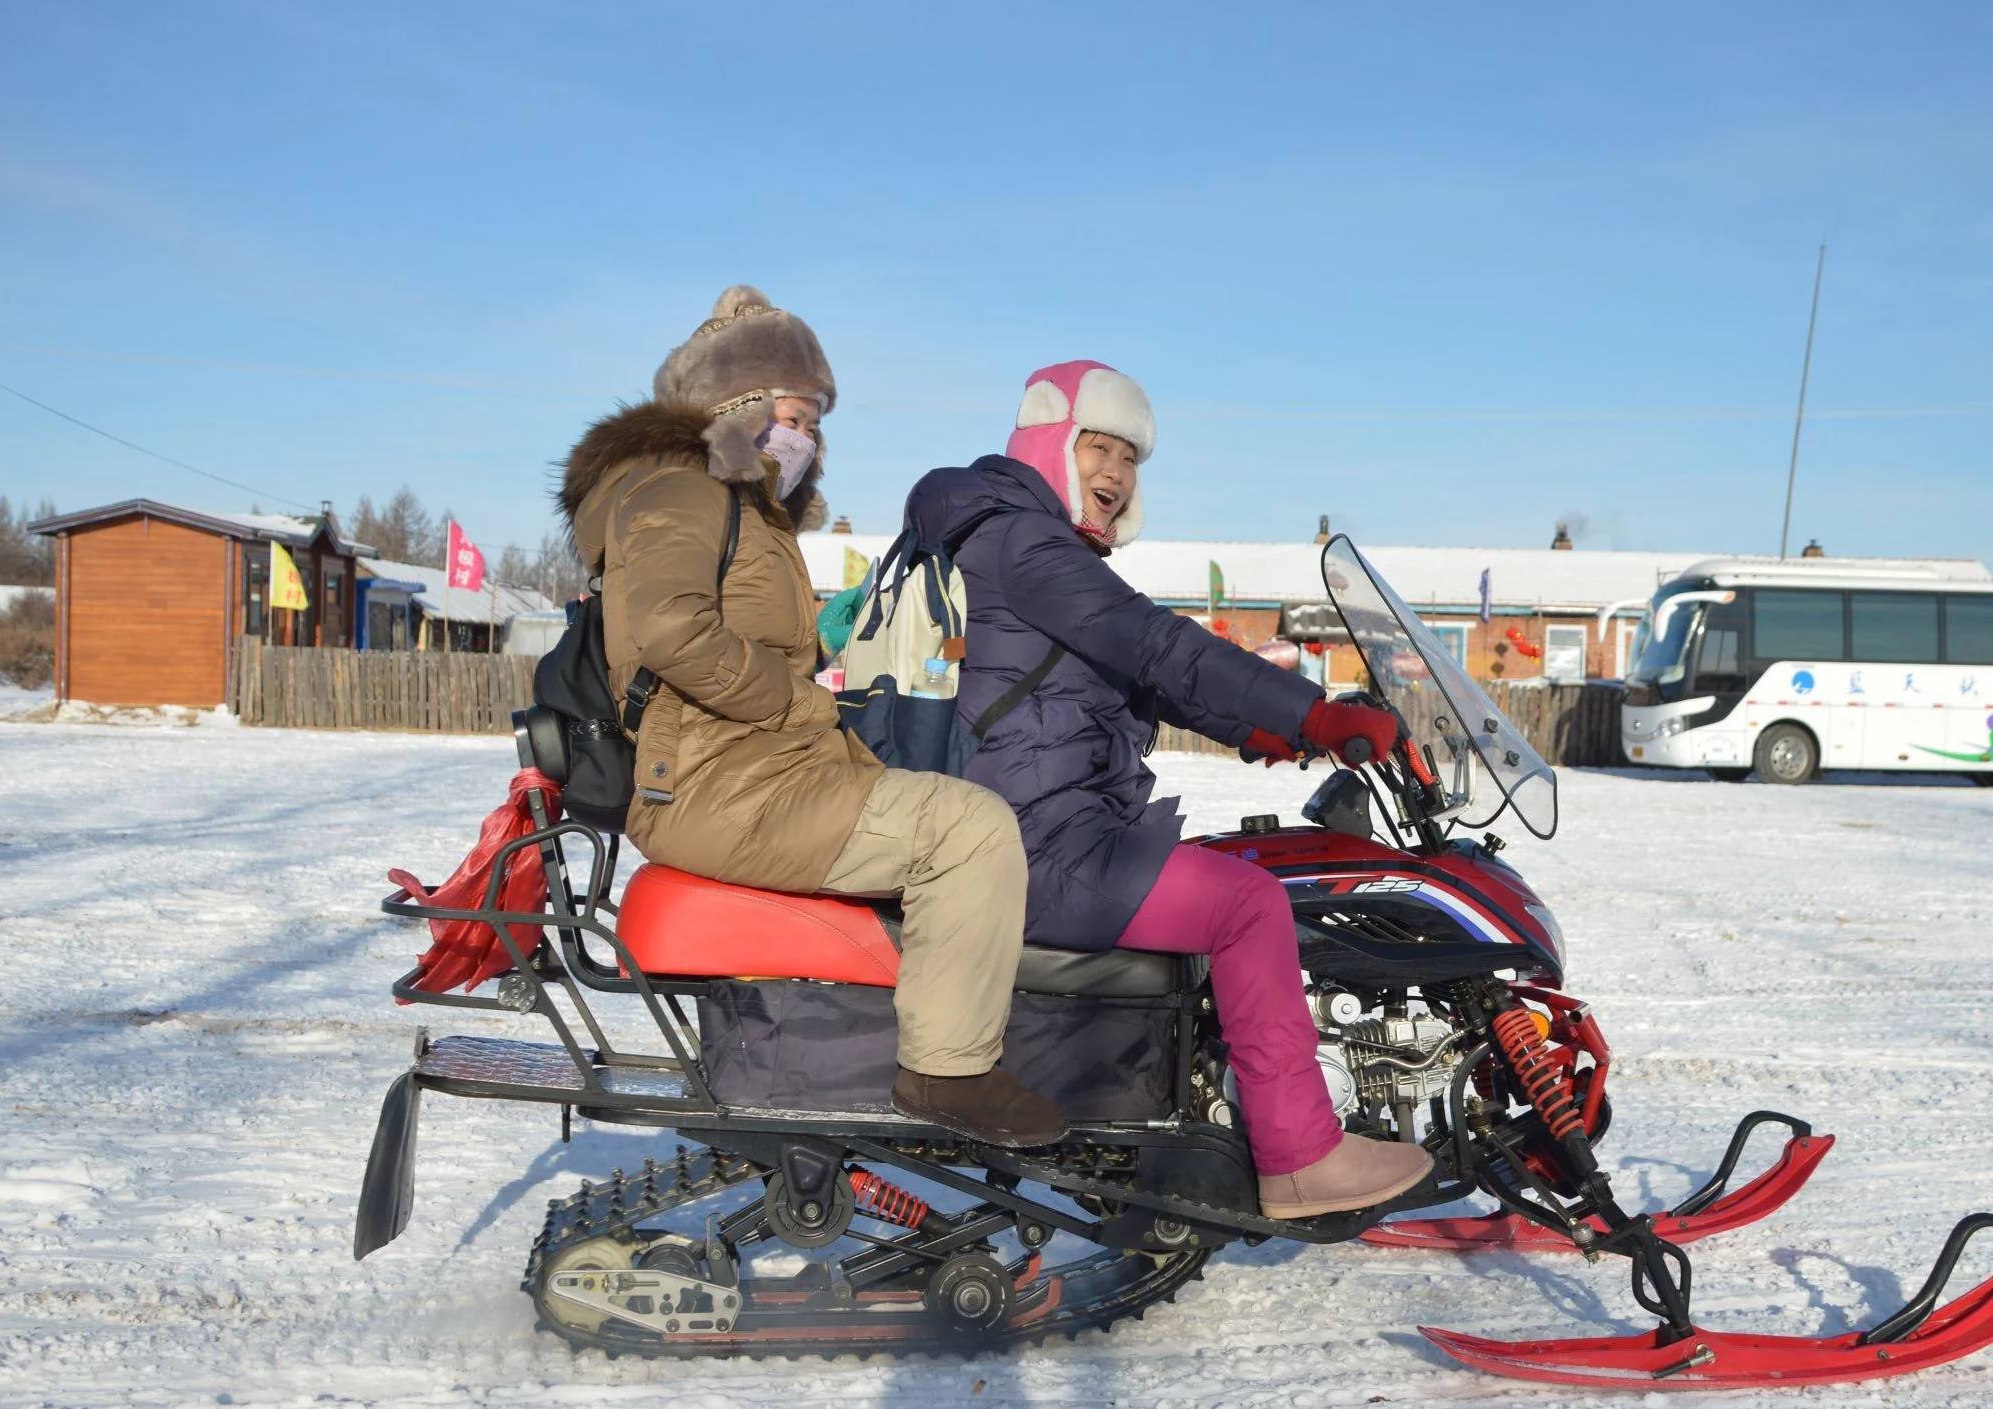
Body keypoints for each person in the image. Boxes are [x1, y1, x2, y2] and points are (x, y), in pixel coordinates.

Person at [904, 360, 1433, 1219]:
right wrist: (1314, 714)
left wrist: (1263, 732)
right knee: (1248, 904)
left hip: (1045, 832)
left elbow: (1136, 678)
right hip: (1038, 849)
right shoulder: (1022, 540)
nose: (1115, 474)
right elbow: (1155, 644)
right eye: (1098, 448)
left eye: (1131, 459)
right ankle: (1302, 1158)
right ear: (1050, 444)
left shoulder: (1017, 539)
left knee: (1237, 873)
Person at [556, 286, 1063, 1147]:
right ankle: (946, 1073)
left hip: (747, 773)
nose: (806, 436)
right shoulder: (682, 486)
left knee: (943, 810)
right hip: (713, 784)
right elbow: (672, 630)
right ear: (732, 406)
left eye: (817, 421)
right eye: (793, 412)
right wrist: (793, 699)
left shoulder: (741, 507)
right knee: (968, 828)